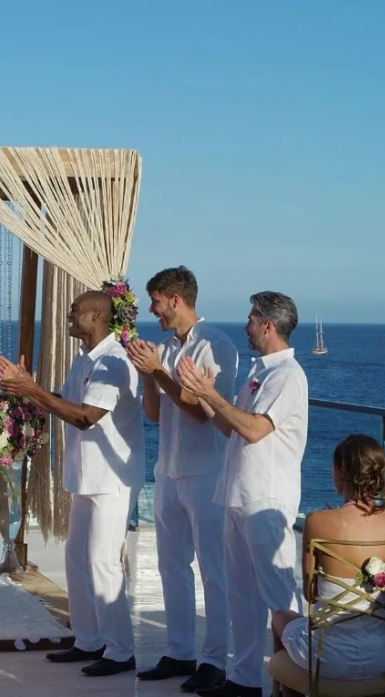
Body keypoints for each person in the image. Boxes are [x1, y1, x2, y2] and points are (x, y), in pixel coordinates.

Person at [0, 290, 145, 677]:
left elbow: (85, 416)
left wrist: (34, 390)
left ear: (96, 316)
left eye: (75, 310)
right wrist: (28, 390)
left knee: (103, 562)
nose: (68, 315)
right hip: (85, 475)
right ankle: (88, 639)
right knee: (76, 558)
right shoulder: (85, 360)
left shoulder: (114, 360)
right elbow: (67, 401)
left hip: (112, 479)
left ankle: (120, 650)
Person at [178, 291, 308, 697]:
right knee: (242, 597)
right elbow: (233, 428)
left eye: (252, 318)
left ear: (268, 326)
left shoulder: (287, 375)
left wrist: (211, 395)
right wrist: (205, 395)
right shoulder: (261, 372)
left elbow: (254, 429)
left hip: (265, 501)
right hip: (239, 495)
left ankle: (299, 681)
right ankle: (245, 680)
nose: (247, 325)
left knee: (280, 599)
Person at [128, 267, 237, 691]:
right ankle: (179, 652)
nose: (151, 309)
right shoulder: (168, 348)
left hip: (207, 471)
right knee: (171, 566)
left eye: (155, 300)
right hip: (169, 471)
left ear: (175, 299)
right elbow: (155, 414)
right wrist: (148, 375)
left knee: (213, 569)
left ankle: (216, 661)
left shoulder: (217, 345)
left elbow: (201, 410)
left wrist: (159, 372)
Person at [272, 434, 385, 694]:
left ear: (342, 471)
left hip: (328, 659)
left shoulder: (317, 521)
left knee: (280, 617)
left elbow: (310, 593)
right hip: (380, 656)